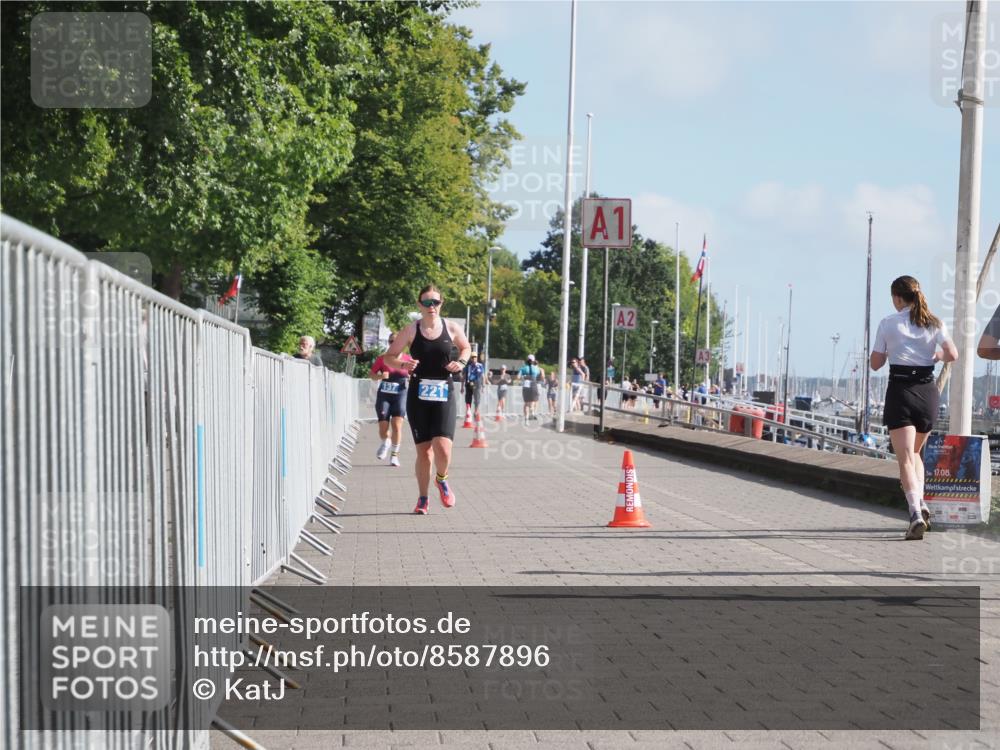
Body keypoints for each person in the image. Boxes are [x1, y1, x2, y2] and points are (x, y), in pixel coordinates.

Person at [870, 275, 958, 541]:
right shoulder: (934, 322)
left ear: (897, 298)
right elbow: (952, 354)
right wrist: (936, 355)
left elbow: (875, 363)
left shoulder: (888, 323)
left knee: (905, 459)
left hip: (901, 391)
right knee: (916, 453)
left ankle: (915, 513)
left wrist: (889, 350)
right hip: (927, 392)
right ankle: (921, 501)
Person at [383, 285, 471, 515]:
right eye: (427, 302)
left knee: (443, 448)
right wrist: (403, 364)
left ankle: (441, 479)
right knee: (424, 452)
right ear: (419, 305)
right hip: (418, 394)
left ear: (441, 304)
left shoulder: (451, 327)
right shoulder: (411, 330)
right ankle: (423, 498)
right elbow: (388, 357)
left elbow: (466, 348)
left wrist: (461, 363)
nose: (432, 306)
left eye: (436, 302)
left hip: (444, 391)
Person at [369, 333, 412, 467]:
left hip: (400, 394)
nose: (393, 344)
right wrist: (380, 376)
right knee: (383, 426)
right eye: (390, 341)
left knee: (397, 426)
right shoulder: (382, 358)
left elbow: (415, 375)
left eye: (395, 341)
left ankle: (394, 456)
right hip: (384, 395)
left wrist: (412, 378)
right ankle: (385, 441)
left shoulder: (408, 359)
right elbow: (372, 374)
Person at [519, 355, 544, 421]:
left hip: (526, 385)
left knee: (526, 402)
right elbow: (542, 377)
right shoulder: (537, 368)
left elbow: (518, 377)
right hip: (534, 384)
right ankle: (532, 410)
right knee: (534, 400)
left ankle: (527, 417)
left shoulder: (523, 368)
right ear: (533, 361)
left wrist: (523, 377)